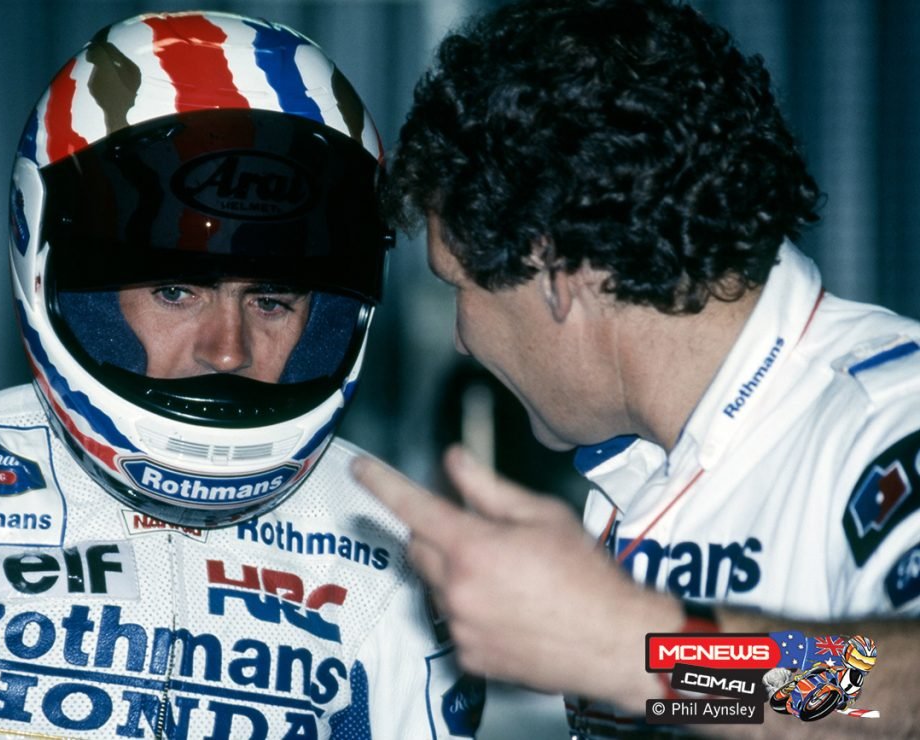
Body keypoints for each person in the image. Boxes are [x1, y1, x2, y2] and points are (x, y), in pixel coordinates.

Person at [0, 11, 483, 738]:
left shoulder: (394, 540)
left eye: (271, 300)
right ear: (67, 278)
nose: (227, 350)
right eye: (177, 291)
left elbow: (668, 692)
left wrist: (631, 660)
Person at [352, 0, 920, 736]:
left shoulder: (888, 414)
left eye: (458, 287)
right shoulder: (639, 465)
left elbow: (905, 694)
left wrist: (628, 648)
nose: (460, 339)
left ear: (553, 268)